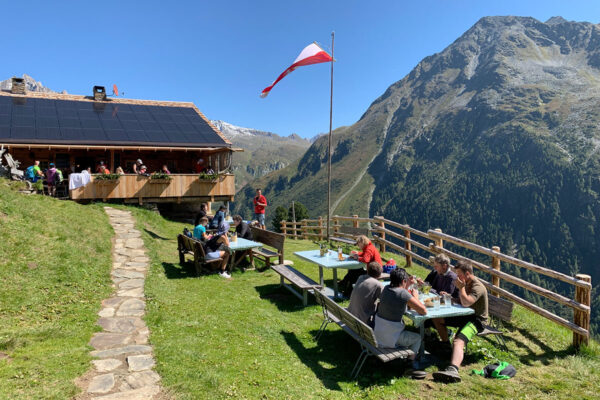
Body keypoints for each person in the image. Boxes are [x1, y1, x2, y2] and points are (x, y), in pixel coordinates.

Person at [432, 260, 489, 383]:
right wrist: (450, 297)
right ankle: (446, 345)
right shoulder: (466, 282)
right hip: (465, 315)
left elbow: (466, 302)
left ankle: (453, 369)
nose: (457, 277)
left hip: (477, 320)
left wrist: (461, 288)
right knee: (437, 319)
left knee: (459, 340)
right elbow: (461, 301)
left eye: (459, 274)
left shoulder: (477, 286)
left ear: (467, 273)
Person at [374, 268, 427, 375]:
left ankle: (408, 361)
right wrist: (415, 295)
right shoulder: (403, 294)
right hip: (390, 339)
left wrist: (407, 286)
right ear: (403, 281)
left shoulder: (386, 288)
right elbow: (423, 311)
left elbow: (400, 293)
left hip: (378, 334)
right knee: (418, 338)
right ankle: (409, 364)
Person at [347, 261, 384, 327]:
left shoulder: (361, 277)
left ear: (367, 270)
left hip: (351, 317)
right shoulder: (377, 285)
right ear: (380, 274)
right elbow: (386, 299)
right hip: (364, 322)